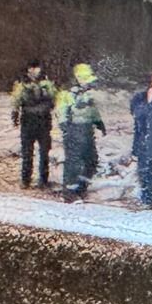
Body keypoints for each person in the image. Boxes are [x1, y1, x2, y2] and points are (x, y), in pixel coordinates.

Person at [58, 62, 106, 202]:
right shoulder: (67, 93)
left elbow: (92, 110)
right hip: (74, 129)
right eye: (86, 79)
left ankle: (81, 188)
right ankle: (69, 192)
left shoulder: (87, 93)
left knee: (91, 160)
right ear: (78, 78)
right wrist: (65, 126)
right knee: (74, 162)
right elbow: (61, 111)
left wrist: (98, 122)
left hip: (87, 129)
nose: (88, 83)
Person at [10, 58, 57, 189]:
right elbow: (15, 100)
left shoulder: (47, 83)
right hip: (28, 120)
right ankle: (26, 179)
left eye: (36, 68)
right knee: (27, 152)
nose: (34, 71)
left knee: (44, 152)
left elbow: (54, 98)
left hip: (44, 121)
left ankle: (43, 180)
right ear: (27, 70)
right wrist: (15, 114)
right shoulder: (21, 84)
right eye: (31, 68)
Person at [129, 71, 152, 209]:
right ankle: (149, 199)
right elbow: (139, 118)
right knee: (145, 172)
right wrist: (150, 102)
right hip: (145, 143)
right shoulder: (140, 99)